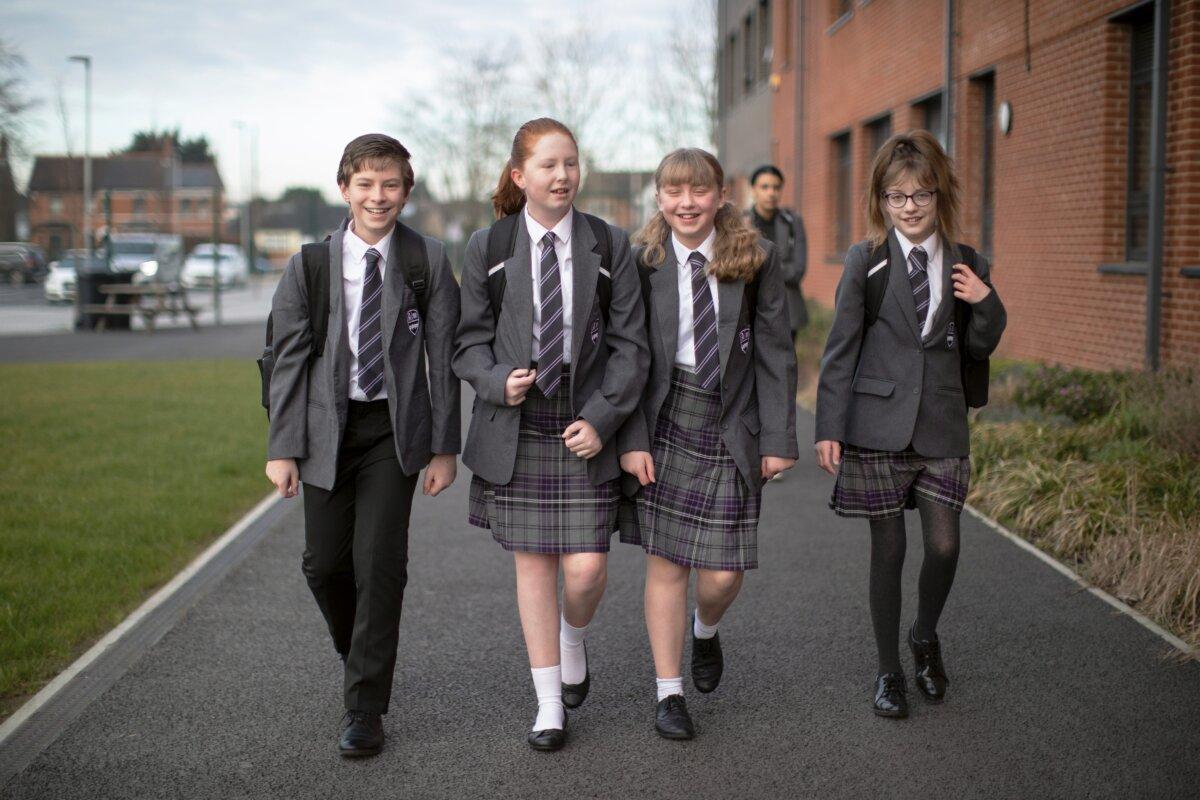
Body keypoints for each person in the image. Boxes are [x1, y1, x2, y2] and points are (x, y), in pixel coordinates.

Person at [453, 118, 648, 752]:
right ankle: (547, 706)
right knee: (533, 567)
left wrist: (603, 418)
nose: (562, 176)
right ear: (520, 176)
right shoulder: (488, 245)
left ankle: (573, 637)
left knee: (587, 568)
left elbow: (629, 346)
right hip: (518, 423)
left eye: (570, 163)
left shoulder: (609, 243)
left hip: (583, 421)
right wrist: (491, 381)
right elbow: (468, 342)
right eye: (547, 165)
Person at [264, 133, 460, 757]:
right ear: (344, 188)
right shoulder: (311, 265)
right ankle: (361, 650)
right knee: (324, 565)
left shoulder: (425, 260)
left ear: (407, 190)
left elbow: (443, 359)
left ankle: (365, 707)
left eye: (391, 185)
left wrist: (443, 447)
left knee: (379, 563)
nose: (379, 196)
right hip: (326, 430)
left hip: (390, 433)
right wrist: (281, 447)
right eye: (366, 184)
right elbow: (286, 360)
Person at [814, 130, 1006, 719]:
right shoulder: (866, 260)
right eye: (897, 197)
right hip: (875, 424)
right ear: (882, 201)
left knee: (944, 545)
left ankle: (924, 636)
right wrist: (829, 426)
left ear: (939, 194)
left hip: (943, 420)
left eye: (921, 195)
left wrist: (987, 300)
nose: (910, 207)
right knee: (889, 550)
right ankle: (888, 671)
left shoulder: (968, 261)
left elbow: (977, 347)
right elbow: (841, 345)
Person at [618, 148, 798, 740]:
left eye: (698, 191)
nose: (686, 203)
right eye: (673, 191)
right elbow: (628, 357)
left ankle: (705, 629)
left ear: (722, 195)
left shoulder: (755, 257)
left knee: (722, 574)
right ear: (659, 197)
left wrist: (778, 437)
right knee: (666, 563)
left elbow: (775, 350)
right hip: (666, 419)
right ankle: (668, 693)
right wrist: (633, 437)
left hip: (730, 421)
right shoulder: (641, 259)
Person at [746, 165, 808, 336]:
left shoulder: (792, 222)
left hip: (787, 307)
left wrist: (759, 267)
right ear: (753, 190)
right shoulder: (741, 224)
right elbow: (738, 269)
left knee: (784, 361)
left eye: (776, 187)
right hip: (750, 307)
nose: (771, 193)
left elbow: (797, 270)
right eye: (764, 187)